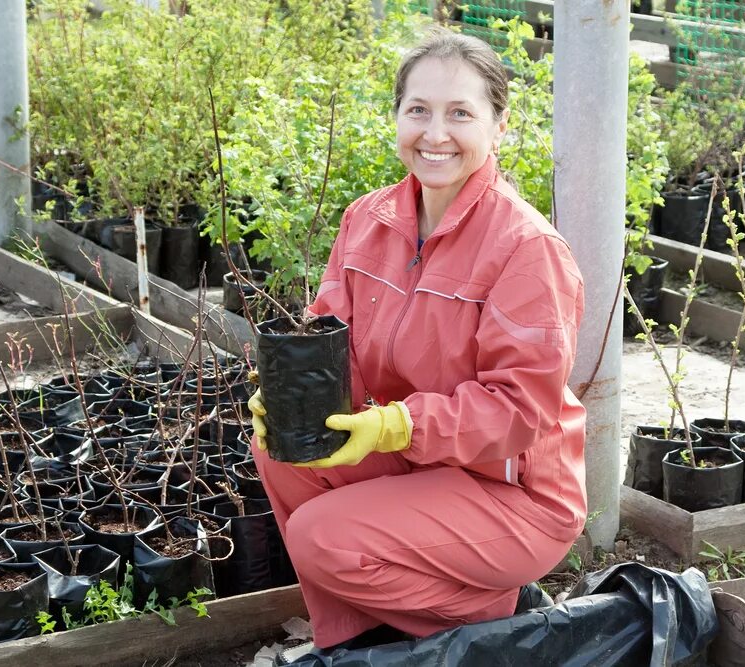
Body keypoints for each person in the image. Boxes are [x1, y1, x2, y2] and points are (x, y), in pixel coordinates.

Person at [249, 29, 586, 664]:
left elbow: (519, 412)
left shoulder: (525, 249)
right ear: (397, 116)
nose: (436, 133)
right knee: (284, 451)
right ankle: (360, 642)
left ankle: (499, 611)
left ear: (499, 125)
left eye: (461, 113)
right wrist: (289, 394)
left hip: (512, 493)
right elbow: (330, 340)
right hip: (419, 463)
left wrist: (398, 425)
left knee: (322, 538)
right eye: (419, 110)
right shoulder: (368, 220)